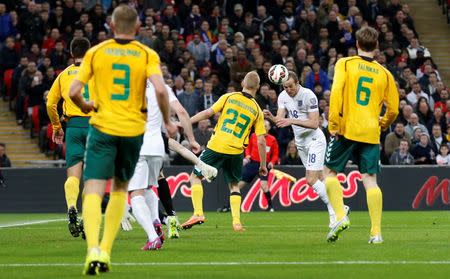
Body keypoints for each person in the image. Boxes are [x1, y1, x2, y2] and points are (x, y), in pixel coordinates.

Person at [69, 5, 177, 275]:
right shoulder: (146, 54)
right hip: (132, 133)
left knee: (93, 189)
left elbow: (73, 91)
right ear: (138, 28)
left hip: (102, 129)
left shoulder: (96, 52)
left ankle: (93, 249)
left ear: (112, 26)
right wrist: (166, 121)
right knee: (121, 190)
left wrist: (84, 105)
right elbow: (161, 91)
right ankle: (106, 250)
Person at [323, 26, 399, 244]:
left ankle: (339, 217)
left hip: (347, 128)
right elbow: (393, 108)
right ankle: (376, 233)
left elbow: (336, 92)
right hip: (370, 132)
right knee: (371, 181)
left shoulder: (345, 64)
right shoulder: (385, 74)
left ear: (357, 44)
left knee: (329, 173)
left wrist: (334, 123)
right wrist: (383, 123)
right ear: (376, 47)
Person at [181, 71, 268, 232]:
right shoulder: (257, 110)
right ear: (257, 87)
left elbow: (208, 113)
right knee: (234, 185)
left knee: (195, 177)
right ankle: (236, 222)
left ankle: (198, 213)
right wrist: (263, 165)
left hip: (217, 146)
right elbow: (261, 141)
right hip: (236, 151)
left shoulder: (229, 97)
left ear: (243, 83)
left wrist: (186, 122)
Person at [264, 71, 338, 227]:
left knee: (310, 179)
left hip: (315, 139)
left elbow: (314, 123)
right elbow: (280, 120)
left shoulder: (308, 95)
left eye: (290, 86)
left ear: (298, 83)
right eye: (285, 87)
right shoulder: (283, 96)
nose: (288, 90)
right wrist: (271, 117)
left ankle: (335, 213)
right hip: (301, 143)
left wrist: (290, 120)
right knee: (320, 179)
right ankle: (340, 207)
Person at [46, 37, 92, 239]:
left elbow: (50, 104)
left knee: (73, 174)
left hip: (72, 127)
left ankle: (71, 206)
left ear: (72, 53)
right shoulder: (97, 72)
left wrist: (57, 126)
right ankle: (86, 218)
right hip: (94, 127)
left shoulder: (63, 75)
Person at [237, 120, 279, 212]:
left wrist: (272, 162)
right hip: (253, 163)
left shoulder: (272, 139)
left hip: (264, 165)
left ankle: (271, 207)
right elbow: (248, 147)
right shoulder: (253, 136)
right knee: (239, 185)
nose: (264, 127)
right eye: (262, 125)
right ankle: (230, 206)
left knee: (264, 186)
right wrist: (247, 155)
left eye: (266, 126)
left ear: (269, 128)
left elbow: (275, 154)